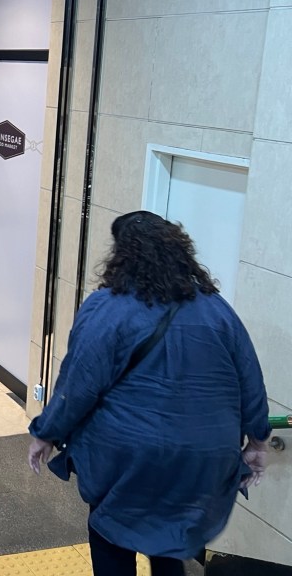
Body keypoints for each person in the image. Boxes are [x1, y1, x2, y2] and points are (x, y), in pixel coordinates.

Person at [27, 211, 271, 576]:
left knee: (110, 532)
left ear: (122, 255)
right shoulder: (217, 310)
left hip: (128, 454)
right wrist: (258, 442)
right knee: (170, 537)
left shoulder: (108, 307)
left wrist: (45, 432)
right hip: (202, 456)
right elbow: (251, 381)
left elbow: (78, 384)